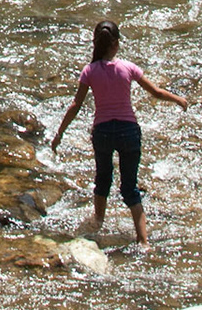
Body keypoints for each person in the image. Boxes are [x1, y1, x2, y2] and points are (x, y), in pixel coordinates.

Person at [48, 20, 189, 245]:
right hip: (128, 131)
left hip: (103, 132)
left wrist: (59, 134)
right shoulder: (128, 67)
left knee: (103, 181)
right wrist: (178, 99)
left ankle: (97, 224)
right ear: (116, 43)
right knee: (130, 188)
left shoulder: (89, 71)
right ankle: (143, 241)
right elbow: (155, 92)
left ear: (96, 43)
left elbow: (76, 105)